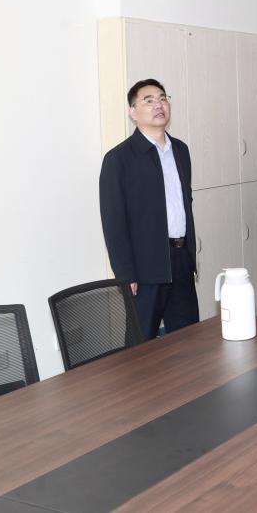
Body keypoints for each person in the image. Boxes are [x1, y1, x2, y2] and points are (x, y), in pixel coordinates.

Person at [99, 78, 199, 341]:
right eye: (149, 100)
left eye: (163, 98)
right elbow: (114, 223)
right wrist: (126, 274)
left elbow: (184, 206)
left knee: (189, 343)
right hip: (144, 268)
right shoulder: (119, 159)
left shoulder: (180, 150)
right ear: (133, 112)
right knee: (139, 347)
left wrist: (190, 256)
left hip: (181, 261)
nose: (159, 105)